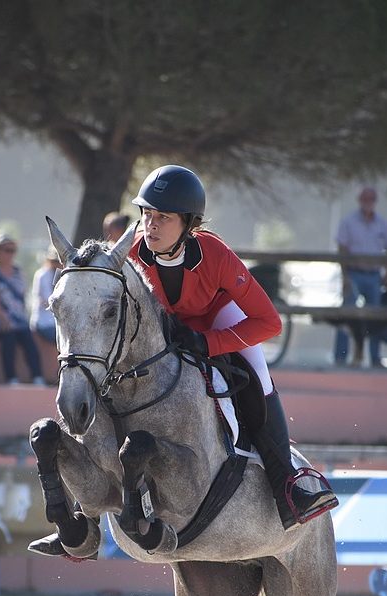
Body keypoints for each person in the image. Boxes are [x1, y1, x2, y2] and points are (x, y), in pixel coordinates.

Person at [34, 165, 337, 556]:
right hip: (162, 335)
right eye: (147, 214)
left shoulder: (215, 254)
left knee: (255, 375)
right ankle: (82, 519)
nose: (151, 225)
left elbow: (268, 322)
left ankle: (288, 481)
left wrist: (209, 342)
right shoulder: (131, 256)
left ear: (188, 223)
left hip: (216, 322)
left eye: (163, 217)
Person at [335, 187, 387, 368]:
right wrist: (344, 276)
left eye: (371, 199)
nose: (368, 203)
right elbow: (342, 250)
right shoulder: (348, 222)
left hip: (373, 275)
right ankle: (341, 356)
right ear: (360, 201)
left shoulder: (383, 224)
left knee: (374, 316)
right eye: (365, 199)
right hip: (354, 273)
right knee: (347, 314)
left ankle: (375, 357)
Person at [0, 232, 46, 386]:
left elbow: (22, 296)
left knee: (28, 339)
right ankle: (11, 378)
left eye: (13, 250)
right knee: (8, 336)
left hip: (18, 318)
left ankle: (37, 376)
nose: (10, 254)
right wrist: (2, 317)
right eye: (6, 250)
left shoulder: (18, 270)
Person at [30, 244, 61, 345]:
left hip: (57, 321)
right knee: (60, 339)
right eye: (55, 261)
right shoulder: (42, 275)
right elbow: (46, 300)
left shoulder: (61, 274)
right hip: (44, 322)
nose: (57, 264)